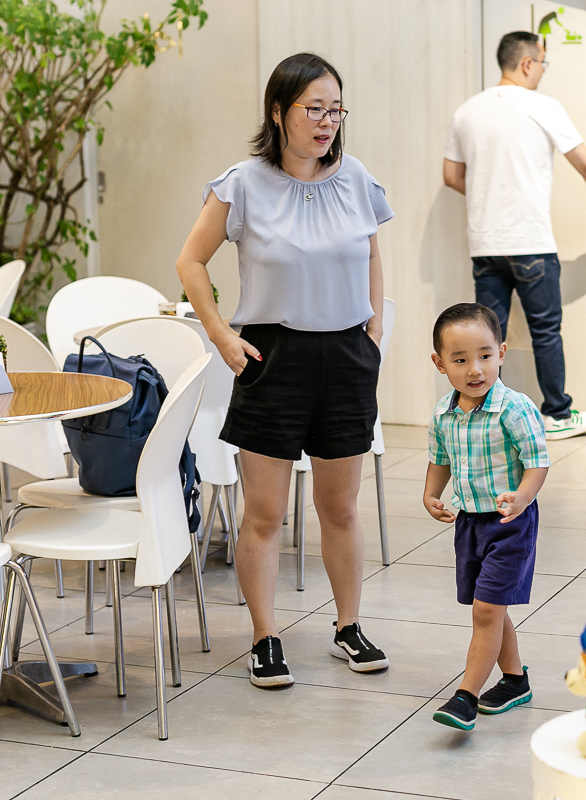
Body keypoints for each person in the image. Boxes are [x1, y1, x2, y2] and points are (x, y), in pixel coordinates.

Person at [176, 53, 391, 689]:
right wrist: (220, 334)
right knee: (266, 514)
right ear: (279, 112)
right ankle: (265, 637)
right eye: (313, 109)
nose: (327, 122)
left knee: (341, 509)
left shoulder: (357, 179)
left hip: (346, 353)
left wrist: (374, 331)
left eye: (335, 109)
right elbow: (191, 262)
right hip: (273, 353)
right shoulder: (242, 183)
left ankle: (347, 625)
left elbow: (374, 256)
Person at [443, 31, 586, 441]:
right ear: (527, 63)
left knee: (487, 337)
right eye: (543, 62)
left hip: (485, 244)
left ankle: (485, 417)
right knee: (545, 331)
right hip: (531, 243)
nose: (543, 70)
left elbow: (451, 177)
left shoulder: (466, 112)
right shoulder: (544, 106)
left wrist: (488, 192)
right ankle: (557, 414)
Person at [424, 303, 550, 730]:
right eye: (460, 360)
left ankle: (466, 695)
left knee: (485, 611)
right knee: (491, 609)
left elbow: (537, 462)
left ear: (501, 352)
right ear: (441, 364)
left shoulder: (515, 408)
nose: (474, 369)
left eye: (484, 356)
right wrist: (431, 493)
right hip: (469, 524)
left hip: (509, 524)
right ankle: (515, 680)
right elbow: (440, 458)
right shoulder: (444, 413)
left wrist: (522, 499)